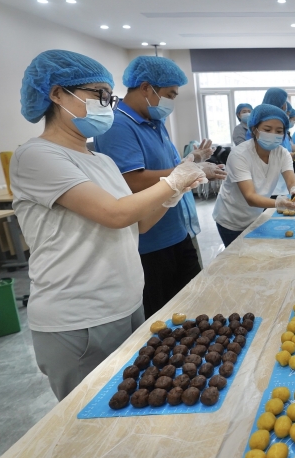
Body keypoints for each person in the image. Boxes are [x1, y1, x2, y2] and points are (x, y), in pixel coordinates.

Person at [13, 50, 205, 400]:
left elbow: (139, 223)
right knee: (91, 418)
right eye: (98, 94)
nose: (106, 104)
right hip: (79, 318)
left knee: (132, 405)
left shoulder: (99, 160)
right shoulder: (37, 156)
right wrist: (173, 181)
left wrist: (175, 193)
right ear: (57, 94)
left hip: (127, 305)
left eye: (108, 95)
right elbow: (114, 213)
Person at [94, 56, 226, 318]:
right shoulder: (117, 126)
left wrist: (193, 160)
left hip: (176, 229)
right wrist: (194, 172)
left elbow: (168, 169)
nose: (171, 102)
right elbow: (133, 179)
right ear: (146, 88)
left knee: (195, 307)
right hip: (151, 242)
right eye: (169, 95)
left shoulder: (154, 122)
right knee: (165, 318)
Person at [213, 104, 295, 246]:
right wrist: (279, 203)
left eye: (279, 131)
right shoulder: (240, 154)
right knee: (239, 261)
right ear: (254, 129)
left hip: (255, 216)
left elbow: (291, 180)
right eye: (267, 129)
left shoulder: (281, 153)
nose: (273, 134)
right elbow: (250, 197)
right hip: (232, 219)